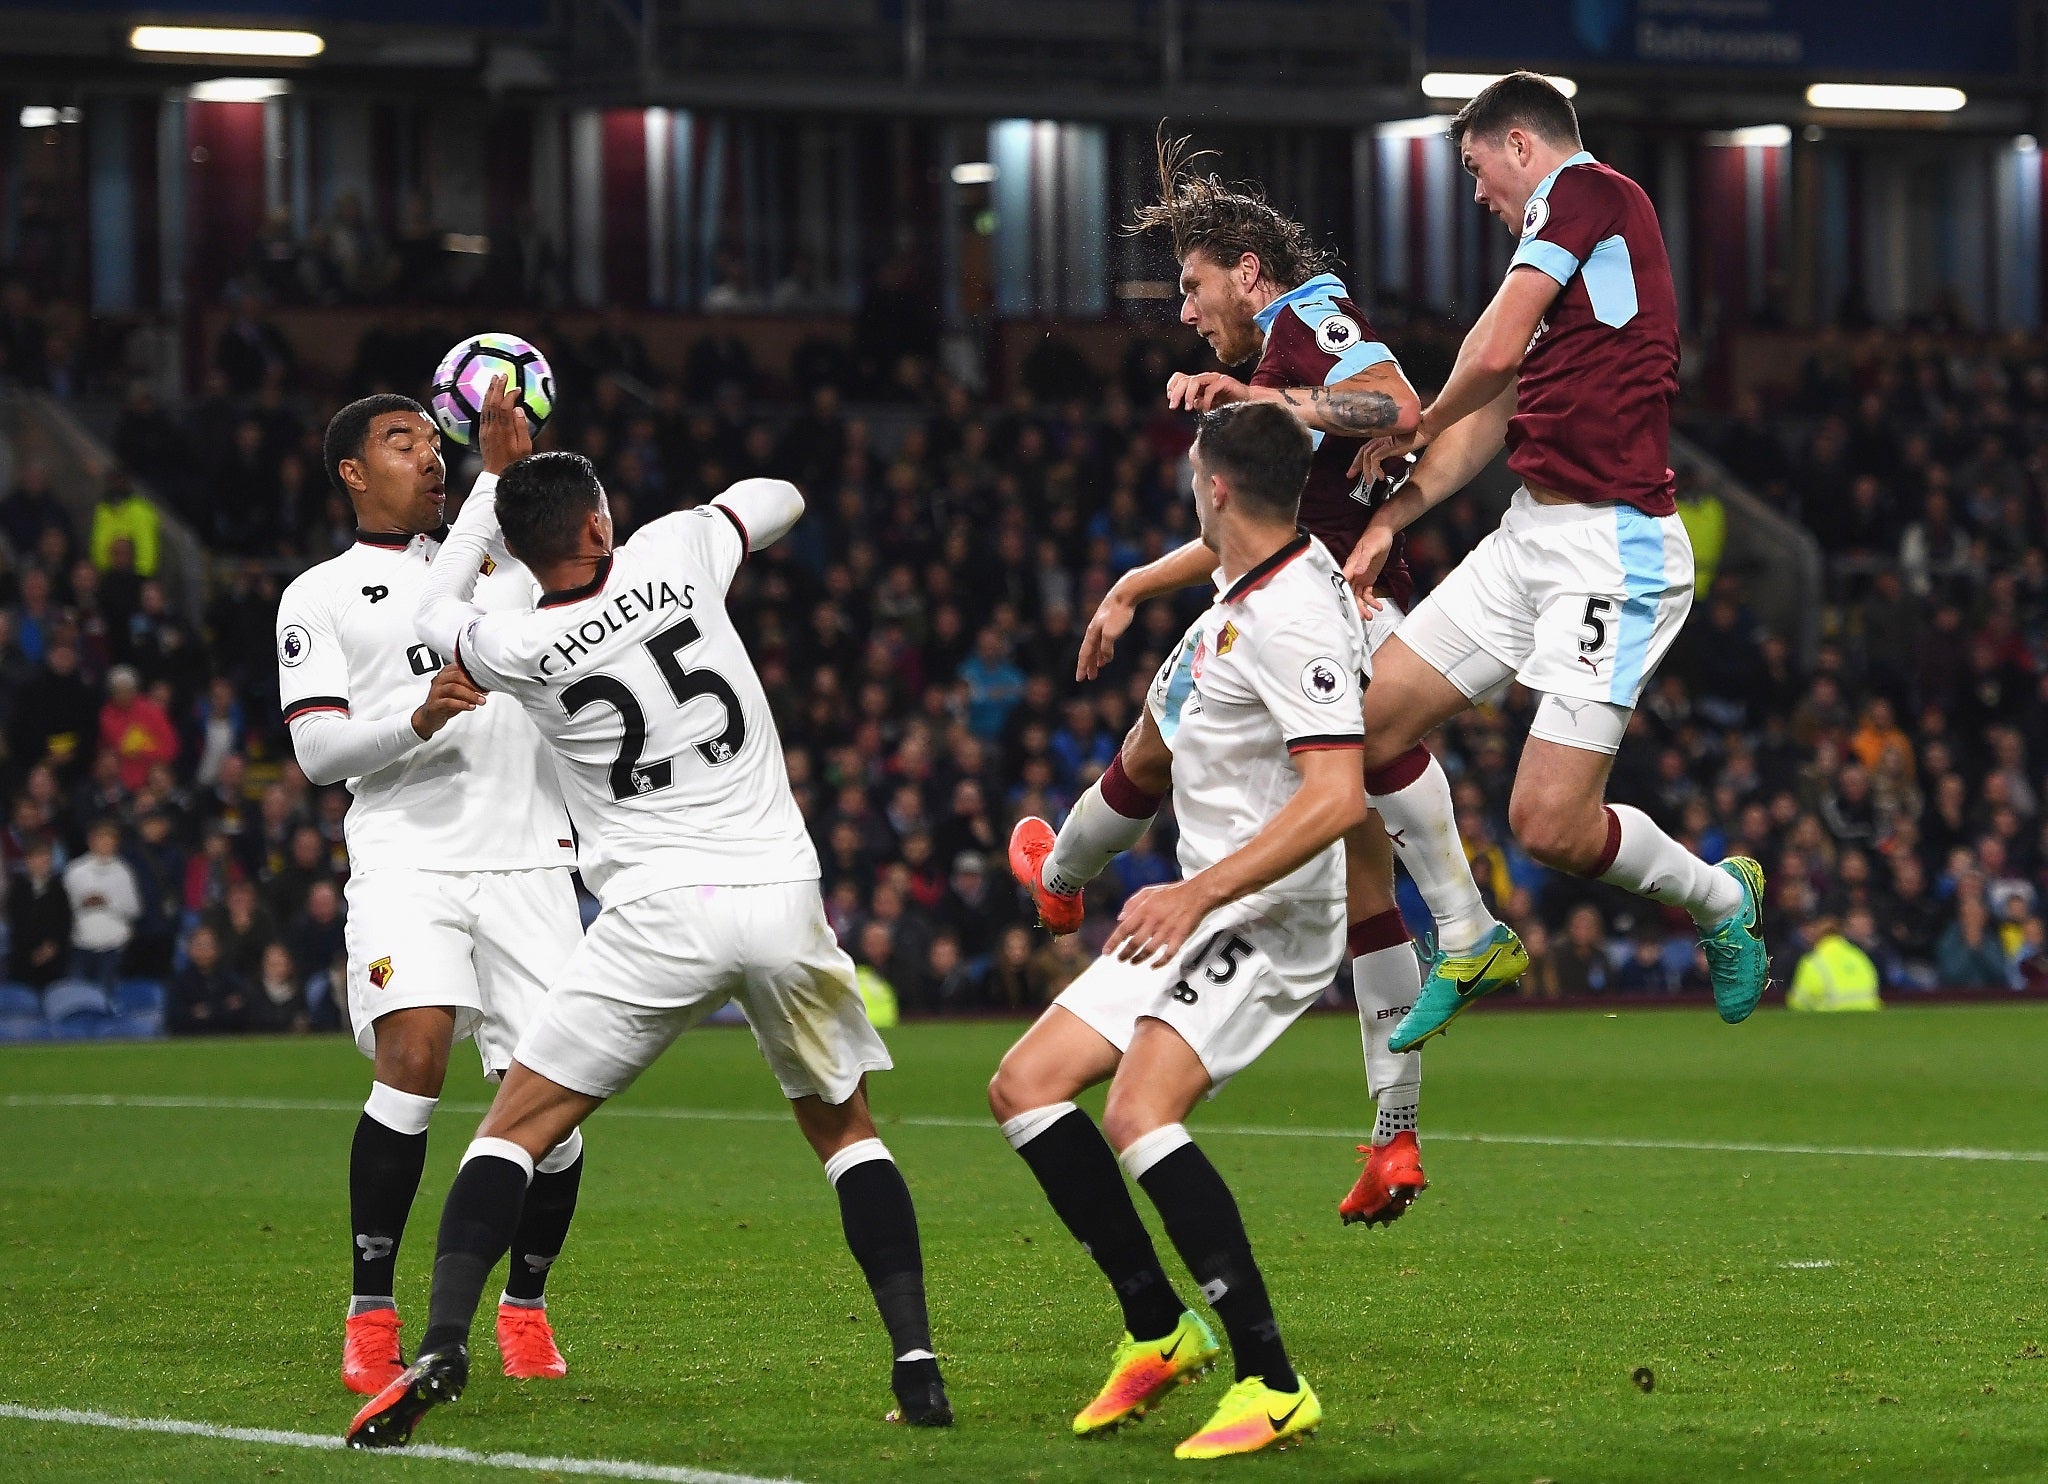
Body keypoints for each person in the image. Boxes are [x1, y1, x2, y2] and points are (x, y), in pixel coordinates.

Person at [348, 383, 949, 1449]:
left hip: (654, 915)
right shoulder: (678, 549)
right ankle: (915, 1362)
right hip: (775, 897)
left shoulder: (514, 645)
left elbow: (429, 607)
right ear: (598, 522)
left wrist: (488, 482)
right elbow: (781, 495)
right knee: (844, 1132)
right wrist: (705, 520)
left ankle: (440, 1341)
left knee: (514, 1128)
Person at [1062, 130, 1501, 1228]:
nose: (1184, 307)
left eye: (1193, 284)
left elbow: (1396, 404)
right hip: (1289, 602)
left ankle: (1059, 876)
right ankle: (1393, 1138)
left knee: (1157, 745)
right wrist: (1133, 580)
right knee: (1358, 875)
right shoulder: (1267, 360)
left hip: (1321, 612)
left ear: (1247, 274)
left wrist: (1293, 409)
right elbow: (1247, 530)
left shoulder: (1308, 318)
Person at [1342, 73, 1768, 1044]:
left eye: (1475, 168)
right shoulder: (1571, 254)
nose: (1477, 192)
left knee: (1548, 824)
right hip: (1531, 533)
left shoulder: (1586, 194)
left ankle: (1715, 900)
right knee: (1363, 728)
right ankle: (1468, 929)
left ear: (1521, 144)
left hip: (1612, 550)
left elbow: (1486, 354)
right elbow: (1497, 406)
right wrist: (1393, 515)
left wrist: (1413, 417)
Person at [992, 404, 1359, 1459]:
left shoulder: (1291, 617)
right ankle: (1158, 1325)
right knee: (1024, 1085)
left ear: (1213, 487)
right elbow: (1143, 766)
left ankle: (1271, 1379)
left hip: (1267, 909)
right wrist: (1061, 877)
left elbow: (1335, 795)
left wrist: (1195, 896)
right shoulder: (1232, 595)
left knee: (1138, 1107)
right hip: (1201, 898)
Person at [277, 393, 589, 1400]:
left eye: (432, 440)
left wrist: (519, 476)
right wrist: (415, 717)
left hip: (532, 858)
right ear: (352, 473)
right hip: (408, 855)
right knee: (413, 1053)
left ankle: (526, 1303)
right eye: (398, 443)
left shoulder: (504, 571)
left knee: (554, 1108)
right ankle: (372, 1309)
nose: (429, 456)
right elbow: (319, 751)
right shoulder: (319, 593)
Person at [63, 818, 139, 988]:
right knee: (78, 996)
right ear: (91, 841)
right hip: (81, 945)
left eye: (110, 839)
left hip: (113, 947)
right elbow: (63, 909)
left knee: (106, 1000)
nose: (105, 843)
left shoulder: (124, 871)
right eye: (101, 838)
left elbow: (134, 909)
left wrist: (108, 902)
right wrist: (83, 902)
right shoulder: (75, 871)